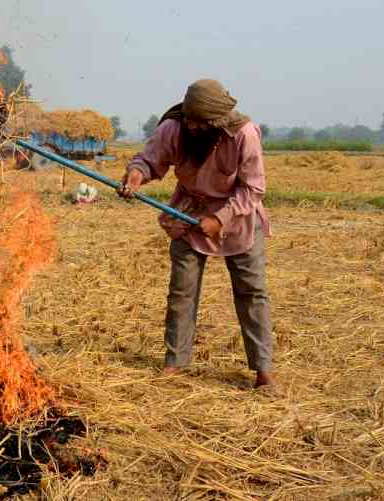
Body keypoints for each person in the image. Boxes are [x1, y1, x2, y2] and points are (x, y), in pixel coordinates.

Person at [118, 79, 276, 389]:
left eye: (198, 123)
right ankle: (175, 362)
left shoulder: (244, 134)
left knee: (251, 292)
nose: (191, 126)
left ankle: (263, 371)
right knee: (182, 291)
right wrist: (135, 176)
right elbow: (148, 160)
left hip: (238, 217)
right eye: (188, 119)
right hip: (188, 214)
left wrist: (220, 219)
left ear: (216, 122)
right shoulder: (174, 129)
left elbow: (253, 189)